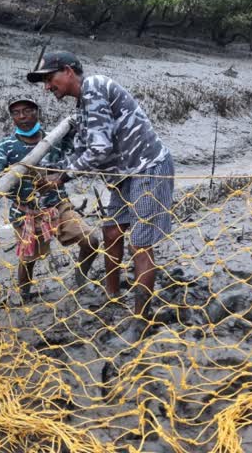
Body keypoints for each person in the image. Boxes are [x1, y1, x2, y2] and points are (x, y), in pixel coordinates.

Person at [27, 51, 174, 333]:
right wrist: (51, 171)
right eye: (44, 82)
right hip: (123, 175)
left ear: (68, 71)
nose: (47, 87)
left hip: (148, 168)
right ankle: (112, 296)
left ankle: (140, 319)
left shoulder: (94, 87)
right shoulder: (84, 106)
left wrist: (62, 177)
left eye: (50, 78)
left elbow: (99, 149)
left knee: (141, 244)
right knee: (111, 232)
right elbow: (83, 149)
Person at [0, 97, 100, 304]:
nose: (23, 117)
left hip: (58, 206)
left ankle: (81, 278)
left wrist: (75, 126)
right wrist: (16, 176)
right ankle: (24, 294)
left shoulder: (53, 139)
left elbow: (76, 154)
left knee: (90, 241)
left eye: (27, 111)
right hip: (26, 213)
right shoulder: (6, 146)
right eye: (17, 113)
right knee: (28, 259)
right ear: (12, 118)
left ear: (37, 112)